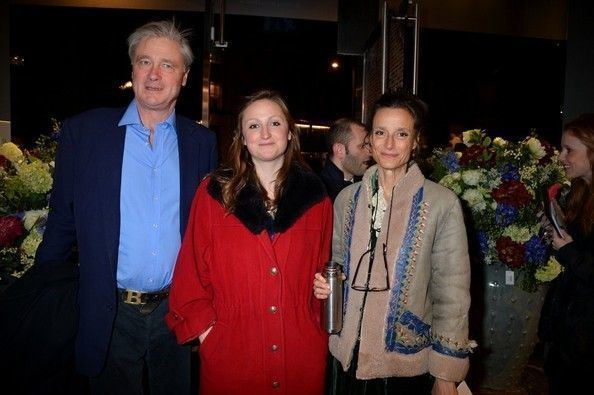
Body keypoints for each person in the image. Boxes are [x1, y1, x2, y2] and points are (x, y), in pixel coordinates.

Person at [34, 20, 217, 394]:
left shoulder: (202, 143)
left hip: (176, 310)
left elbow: (210, 234)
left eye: (167, 65)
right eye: (144, 61)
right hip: (108, 311)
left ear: (183, 77)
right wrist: (39, 296)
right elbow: (61, 224)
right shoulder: (84, 134)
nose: (154, 74)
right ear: (132, 69)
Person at [166, 90, 333, 394]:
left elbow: (323, 272)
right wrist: (208, 333)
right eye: (254, 126)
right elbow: (189, 273)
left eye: (274, 123)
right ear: (242, 137)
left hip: (301, 353)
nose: (265, 134)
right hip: (231, 354)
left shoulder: (316, 198)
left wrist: (329, 286)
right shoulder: (213, 194)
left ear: (290, 133)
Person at [314, 89, 473, 395]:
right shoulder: (346, 200)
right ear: (369, 140)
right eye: (380, 133)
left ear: (415, 142)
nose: (389, 144)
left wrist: (445, 374)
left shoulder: (441, 203)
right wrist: (327, 284)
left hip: (403, 362)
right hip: (345, 356)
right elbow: (337, 264)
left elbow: (452, 295)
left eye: (401, 134)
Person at [538, 114, 594, 394]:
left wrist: (568, 249)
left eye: (569, 150)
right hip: (569, 333)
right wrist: (555, 225)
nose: (561, 157)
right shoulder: (580, 193)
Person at [320, 118, 371, 201]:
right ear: (339, 150)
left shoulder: (367, 184)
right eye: (362, 146)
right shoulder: (320, 194)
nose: (370, 152)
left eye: (369, 145)